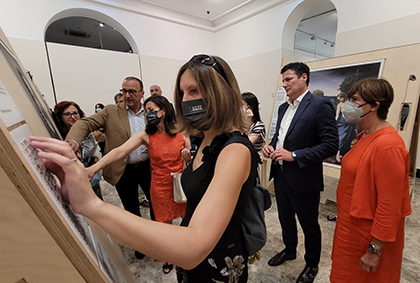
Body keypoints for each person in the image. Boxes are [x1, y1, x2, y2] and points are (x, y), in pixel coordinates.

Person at [29, 54, 258, 283]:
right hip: (191, 260)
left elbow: (193, 246)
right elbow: (118, 150)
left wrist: (91, 204)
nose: (186, 100)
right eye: (182, 93)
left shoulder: (234, 149)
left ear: (221, 92)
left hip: (218, 264)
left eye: (194, 91)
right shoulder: (205, 140)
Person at [86, 95, 189, 274]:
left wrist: (188, 157)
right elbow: (119, 150)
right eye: (147, 111)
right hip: (160, 186)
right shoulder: (145, 135)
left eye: (152, 110)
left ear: (163, 111)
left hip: (181, 182)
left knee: (187, 219)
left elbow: (192, 156)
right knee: (164, 225)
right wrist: (96, 167)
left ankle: (187, 253)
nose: (148, 114)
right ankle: (169, 257)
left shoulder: (181, 131)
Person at [262, 62, 338, 283]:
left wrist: (294, 155)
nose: (284, 84)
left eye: (288, 79)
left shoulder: (320, 105)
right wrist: (271, 146)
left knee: (309, 223)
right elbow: (280, 137)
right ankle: (289, 249)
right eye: (283, 80)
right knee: (285, 217)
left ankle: (312, 264)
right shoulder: (283, 108)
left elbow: (330, 145)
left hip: (304, 176)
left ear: (304, 77)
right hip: (281, 174)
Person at [330, 78, 411, 283]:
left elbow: (390, 205)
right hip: (351, 233)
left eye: (355, 99)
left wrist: (375, 250)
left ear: (375, 105)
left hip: (368, 240)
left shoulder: (388, 145)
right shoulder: (366, 135)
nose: (349, 105)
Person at [66, 77, 154, 260]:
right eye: (124, 91)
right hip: (123, 170)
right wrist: (74, 140)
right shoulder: (111, 111)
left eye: (132, 91)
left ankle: (157, 241)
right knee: (131, 209)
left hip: (149, 167)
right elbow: (84, 123)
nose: (127, 95)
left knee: (156, 205)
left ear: (142, 94)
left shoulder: (151, 111)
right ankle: (140, 243)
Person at [53, 101, 102, 199]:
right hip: (74, 182)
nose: (72, 116)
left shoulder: (87, 132)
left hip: (91, 176)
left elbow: (96, 148)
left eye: (75, 113)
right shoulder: (58, 136)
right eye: (67, 114)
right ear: (60, 116)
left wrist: (96, 158)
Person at [335, 92, 356, 163]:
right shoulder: (339, 105)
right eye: (339, 99)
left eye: (340, 98)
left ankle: (345, 154)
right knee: (341, 137)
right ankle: (337, 154)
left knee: (349, 138)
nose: (340, 100)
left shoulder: (350, 103)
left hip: (350, 123)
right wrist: (334, 122)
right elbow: (337, 115)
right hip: (343, 123)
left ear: (343, 96)